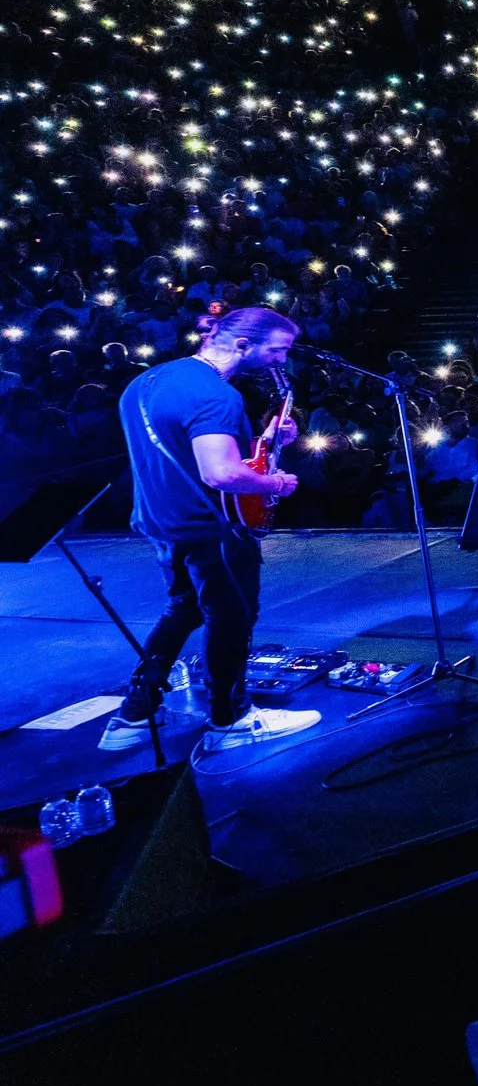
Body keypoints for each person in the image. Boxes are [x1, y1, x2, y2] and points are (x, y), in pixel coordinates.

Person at [101, 307, 320, 753]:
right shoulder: (215, 396)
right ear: (243, 345)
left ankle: (132, 715)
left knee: (182, 610)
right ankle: (232, 719)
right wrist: (276, 482)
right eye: (276, 350)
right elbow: (221, 474)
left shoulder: (146, 382)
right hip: (211, 530)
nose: (280, 361)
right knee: (232, 617)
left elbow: (179, 454)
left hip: (161, 522)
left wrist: (267, 441)